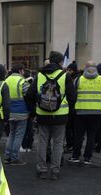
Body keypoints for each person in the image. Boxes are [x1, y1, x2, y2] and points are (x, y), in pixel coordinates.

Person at [25, 51, 77, 180]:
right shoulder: (65, 76)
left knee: (42, 143)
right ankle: (55, 171)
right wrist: (69, 111)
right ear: (60, 62)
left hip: (42, 114)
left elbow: (29, 95)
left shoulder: (40, 75)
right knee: (58, 144)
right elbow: (72, 97)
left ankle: (42, 170)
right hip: (60, 116)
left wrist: (34, 110)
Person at [69, 61, 101, 165]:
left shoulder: (78, 79)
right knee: (92, 135)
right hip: (97, 112)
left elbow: (73, 93)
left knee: (78, 135)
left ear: (85, 67)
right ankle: (87, 158)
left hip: (81, 111)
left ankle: (76, 156)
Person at [2, 63, 29, 165]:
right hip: (21, 111)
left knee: (11, 134)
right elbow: (28, 96)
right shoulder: (22, 81)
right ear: (21, 71)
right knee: (18, 135)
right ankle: (15, 158)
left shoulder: (6, 80)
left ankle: (7, 157)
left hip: (10, 112)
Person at [64, 61, 80, 153]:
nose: (68, 71)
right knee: (72, 128)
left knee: (70, 128)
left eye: (69, 70)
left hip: (73, 107)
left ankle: (71, 145)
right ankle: (72, 144)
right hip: (74, 106)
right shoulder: (74, 78)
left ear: (73, 70)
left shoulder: (74, 79)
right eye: (67, 70)